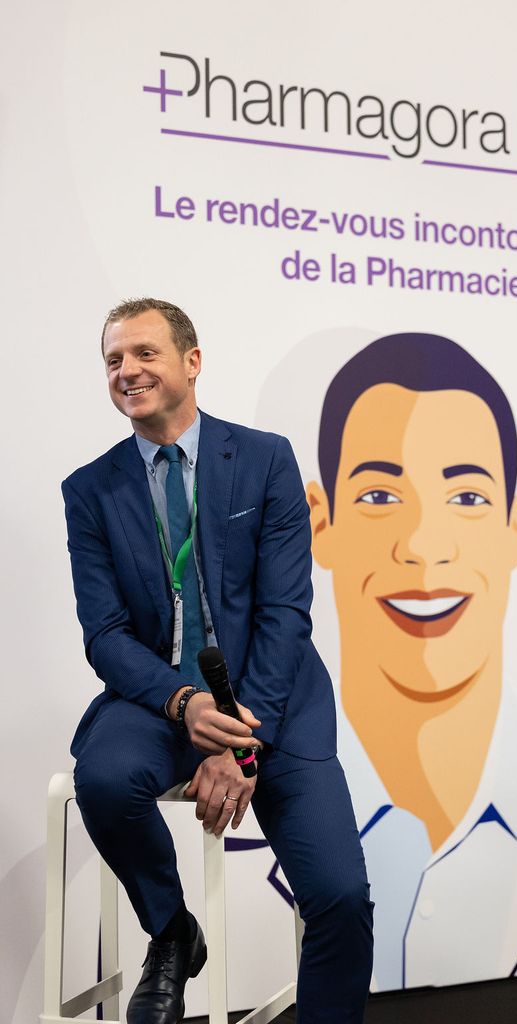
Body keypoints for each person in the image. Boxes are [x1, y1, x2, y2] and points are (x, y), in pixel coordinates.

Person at [61, 298, 373, 1024]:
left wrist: (241, 746)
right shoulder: (90, 490)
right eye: (113, 360)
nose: (127, 371)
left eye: (144, 353)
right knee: (104, 780)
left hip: (274, 698)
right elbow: (105, 634)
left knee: (339, 897)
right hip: (159, 699)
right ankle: (173, 933)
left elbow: (285, 613)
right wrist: (183, 702)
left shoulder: (265, 459)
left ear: (191, 362)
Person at [304, 333, 517, 989]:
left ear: (515, 527)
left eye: (468, 498)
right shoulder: (193, 849)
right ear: (320, 523)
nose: (424, 546)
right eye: (379, 497)